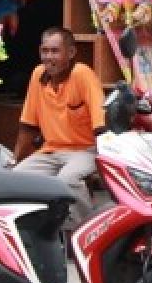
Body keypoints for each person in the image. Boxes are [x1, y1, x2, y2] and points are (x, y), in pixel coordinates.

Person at [13, 27, 105, 224]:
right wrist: (16, 160)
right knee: (16, 178)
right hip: (50, 151)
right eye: (45, 51)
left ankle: (85, 228)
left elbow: (101, 124)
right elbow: (28, 125)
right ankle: (39, 229)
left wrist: (105, 163)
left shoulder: (82, 74)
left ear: (70, 53)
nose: (48, 57)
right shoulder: (38, 74)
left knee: (67, 179)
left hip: (85, 151)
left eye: (55, 51)